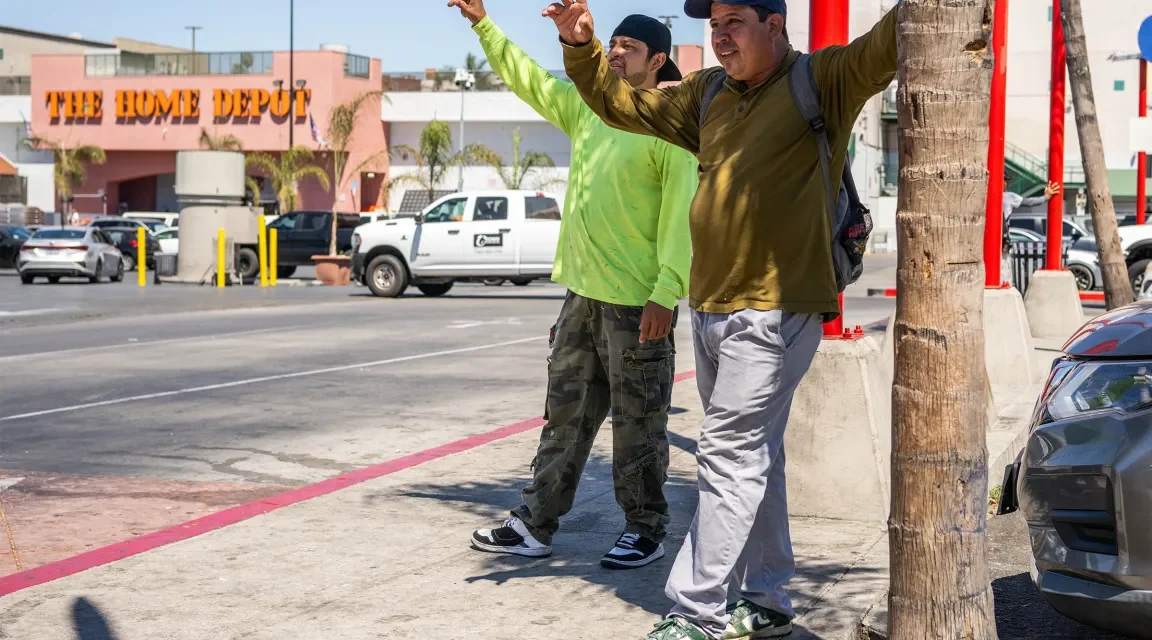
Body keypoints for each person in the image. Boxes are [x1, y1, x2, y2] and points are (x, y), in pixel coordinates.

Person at [542, 0, 897, 637]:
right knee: (757, 458)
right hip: (711, 309)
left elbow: (888, 43)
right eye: (713, 26)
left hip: (775, 309)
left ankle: (695, 609)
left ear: (775, 26)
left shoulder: (821, 79)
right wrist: (581, 48)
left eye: (734, 21)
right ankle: (765, 600)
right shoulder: (707, 92)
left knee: (728, 457)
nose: (720, 37)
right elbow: (625, 105)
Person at [448, 0, 699, 571]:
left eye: (627, 48)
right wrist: (483, 25)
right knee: (564, 416)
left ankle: (644, 528)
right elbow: (529, 79)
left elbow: (683, 214)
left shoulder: (670, 125)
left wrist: (667, 289)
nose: (613, 52)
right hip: (582, 296)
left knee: (639, 425)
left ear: (657, 60)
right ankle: (535, 524)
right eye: (610, 44)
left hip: (639, 302)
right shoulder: (588, 109)